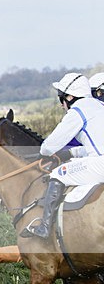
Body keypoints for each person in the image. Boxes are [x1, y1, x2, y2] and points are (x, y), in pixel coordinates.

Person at [21, 72, 104, 238]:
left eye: (61, 98)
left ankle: (44, 228)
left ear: (70, 96)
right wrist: (70, 153)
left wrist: (48, 154)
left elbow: (47, 149)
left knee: (58, 174)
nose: (61, 105)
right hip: (98, 159)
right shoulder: (99, 107)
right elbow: (93, 147)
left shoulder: (77, 111)